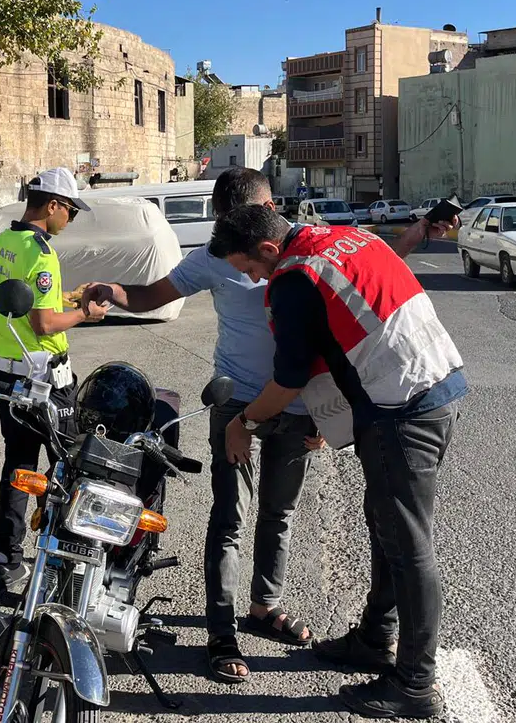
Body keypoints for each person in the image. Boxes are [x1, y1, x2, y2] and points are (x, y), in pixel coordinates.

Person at [80, 168, 456, 685]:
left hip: (311, 403)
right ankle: (223, 633)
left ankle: (273, 611)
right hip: (241, 399)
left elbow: (321, 343)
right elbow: (154, 296)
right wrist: (112, 291)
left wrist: (326, 415)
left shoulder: (301, 266)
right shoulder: (239, 257)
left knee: (289, 514)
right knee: (231, 518)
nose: (254, 280)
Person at [209, 205, 467, 720]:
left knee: (409, 544)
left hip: (401, 408)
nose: (253, 280)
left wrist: (242, 424)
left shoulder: (291, 278)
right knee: (386, 527)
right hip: (430, 384)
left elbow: (287, 381)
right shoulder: (340, 238)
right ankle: (376, 637)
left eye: (249, 269)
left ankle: (415, 685)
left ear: (266, 249)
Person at [0, 167, 108, 595]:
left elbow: (21, 302)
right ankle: (60, 559)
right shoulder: (40, 252)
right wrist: (85, 313)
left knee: (18, 466)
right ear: (53, 205)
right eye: (70, 211)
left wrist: (66, 295)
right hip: (46, 379)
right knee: (65, 465)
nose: (69, 219)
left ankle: (7, 561)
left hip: (8, 371)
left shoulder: (3, 241)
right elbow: (43, 321)